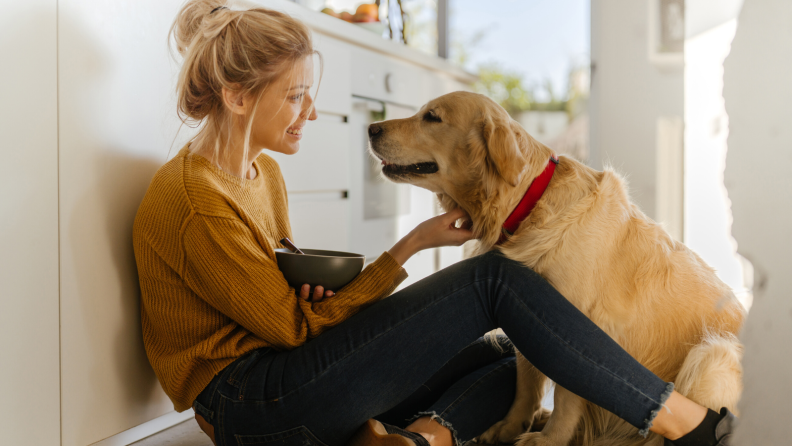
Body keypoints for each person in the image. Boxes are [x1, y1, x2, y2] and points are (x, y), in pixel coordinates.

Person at [132, 2, 735, 446]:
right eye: (295, 96)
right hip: (251, 408)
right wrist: (414, 244)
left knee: (516, 350)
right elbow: (291, 330)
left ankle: (419, 441)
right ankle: (680, 420)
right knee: (493, 280)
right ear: (238, 97)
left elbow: (273, 299)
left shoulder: (260, 174)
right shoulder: (196, 198)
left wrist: (311, 288)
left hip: (288, 379)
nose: (310, 111)